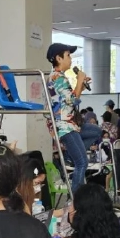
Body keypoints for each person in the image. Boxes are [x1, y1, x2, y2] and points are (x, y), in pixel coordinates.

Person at [47, 43, 100, 192]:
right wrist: (79, 80)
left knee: (96, 131)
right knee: (82, 162)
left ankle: (71, 154)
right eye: (68, 55)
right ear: (58, 58)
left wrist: (80, 86)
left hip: (71, 123)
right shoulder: (57, 77)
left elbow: (70, 99)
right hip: (64, 125)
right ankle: (76, 199)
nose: (71, 59)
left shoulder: (60, 77)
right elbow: (73, 100)